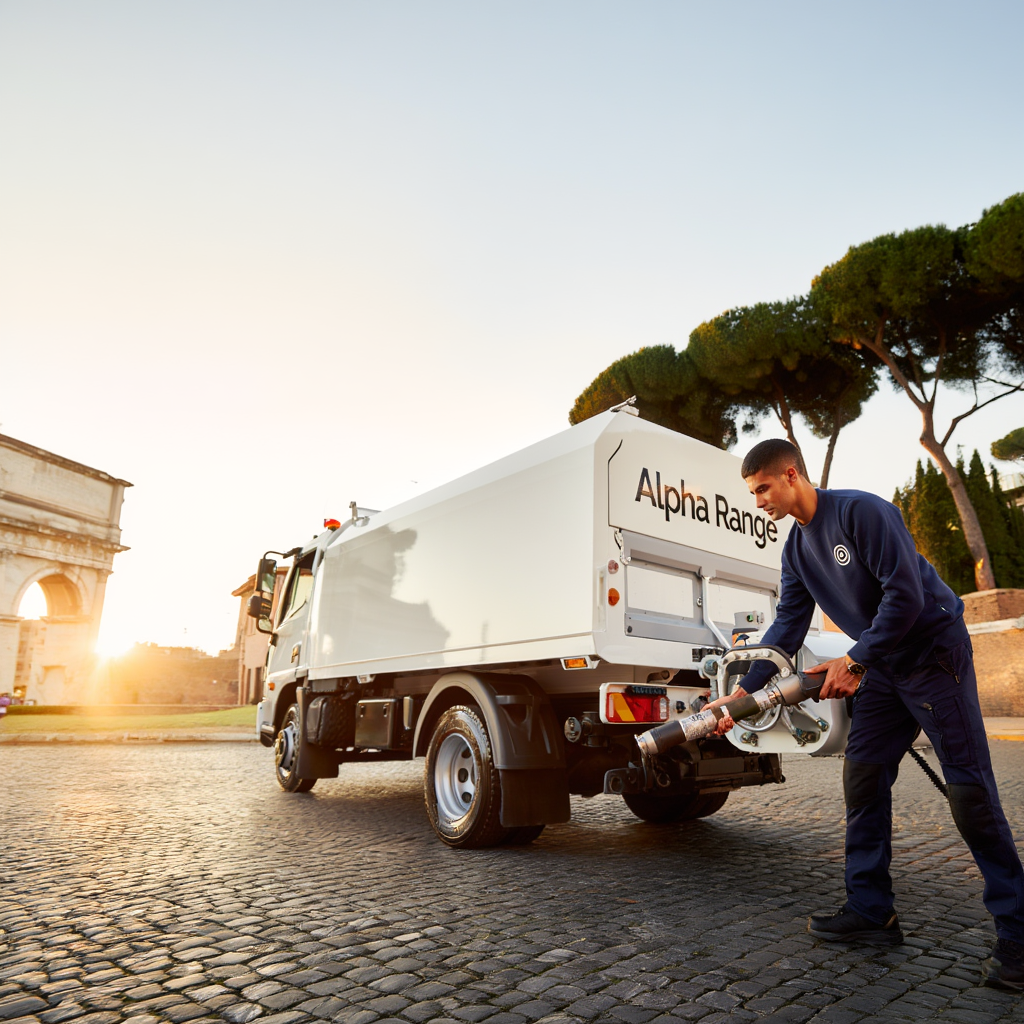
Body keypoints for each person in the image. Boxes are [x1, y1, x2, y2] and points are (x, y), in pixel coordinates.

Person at [714, 438, 1024, 992]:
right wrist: (739, 695)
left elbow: (904, 596)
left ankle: (1020, 934)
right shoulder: (796, 550)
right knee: (862, 775)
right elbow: (785, 628)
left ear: (791, 475)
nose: (757, 499)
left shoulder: (862, 512)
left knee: (970, 792)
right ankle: (871, 910)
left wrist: (855, 658)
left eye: (762, 487)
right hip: (883, 665)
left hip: (932, 653)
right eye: (752, 491)